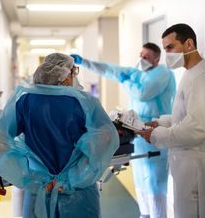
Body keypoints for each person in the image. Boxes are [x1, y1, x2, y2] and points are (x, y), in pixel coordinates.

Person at [0, 53, 119, 218]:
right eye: (74, 72)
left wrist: (29, 178)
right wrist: (74, 178)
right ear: (65, 77)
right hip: (79, 194)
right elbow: (106, 138)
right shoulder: (85, 102)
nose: (75, 77)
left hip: (40, 190)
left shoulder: (25, 102)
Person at [136, 24, 205, 218]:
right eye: (164, 48)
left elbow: (198, 127)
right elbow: (186, 116)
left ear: (189, 43)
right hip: (189, 165)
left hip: (198, 167)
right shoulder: (191, 73)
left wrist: (157, 136)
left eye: (170, 47)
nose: (167, 54)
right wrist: (160, 123)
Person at [71, 42, 176, 218]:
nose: (142, 59)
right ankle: (145, 214)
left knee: (155, 182)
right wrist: (85, 62)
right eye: (141, 55)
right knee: (141, 178)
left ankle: (158, 215)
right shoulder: (139, 72)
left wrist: (124, 79)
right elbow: (110, 70)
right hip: (136, 130)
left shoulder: (163, 73)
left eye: (146, 57)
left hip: (155, 130)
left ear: (157, 59)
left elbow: (143, 93)